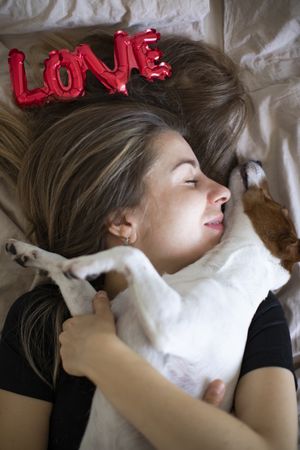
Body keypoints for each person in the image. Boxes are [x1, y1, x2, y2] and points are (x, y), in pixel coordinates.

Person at [0, 33, 297, 450]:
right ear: (122, 219)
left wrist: (107, 360)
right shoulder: (43, 321)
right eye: (191, 179)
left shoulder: (252, 308)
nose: (224, 192)